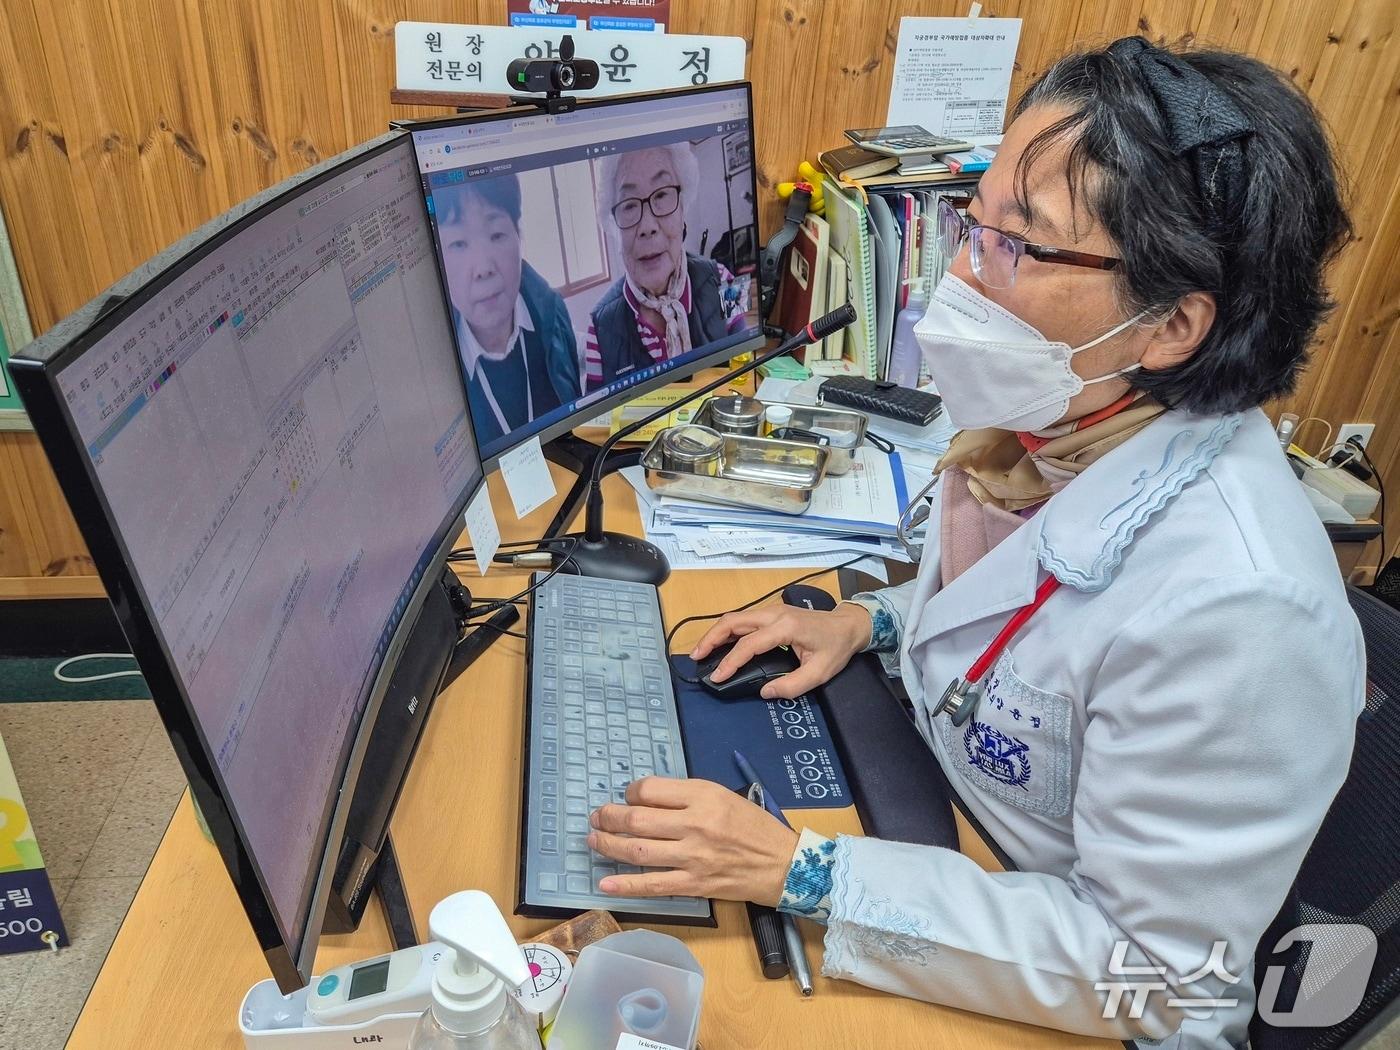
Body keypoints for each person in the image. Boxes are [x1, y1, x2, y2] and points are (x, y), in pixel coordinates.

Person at [585, 37, 1364, 1049]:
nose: (958, 271)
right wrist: (870, 622)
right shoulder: (1054, 430)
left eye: (1017, 244)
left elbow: (1155, 978)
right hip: (953, 833)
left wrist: (802, 873)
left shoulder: (1243, 609)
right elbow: (1017, 607)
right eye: (974, 221)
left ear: (1172, 325)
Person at [585, 143, 746, 391]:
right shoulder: (598, 326)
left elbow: (745, 370)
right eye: (629, 205)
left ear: (682, 208)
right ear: (613, 226)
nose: (648, 226)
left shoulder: (725, 279)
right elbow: (599, 412)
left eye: (661, 195)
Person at [435, 174, 580, 446]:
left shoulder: (554, 315)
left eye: (496, 234)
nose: (483, 268)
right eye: (458, 244)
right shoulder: (434, 369)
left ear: (518, 235)